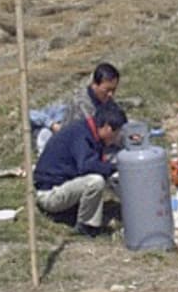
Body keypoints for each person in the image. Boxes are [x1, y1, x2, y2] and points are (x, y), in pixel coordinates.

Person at [34, 100, 128, 237]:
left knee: (100, 176)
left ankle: (76, 214)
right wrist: (113, 168)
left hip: (63, 187)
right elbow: (86, 166)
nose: (116, 138)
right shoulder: (81, 136)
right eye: (117, 133)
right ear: (108, 128)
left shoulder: (89, 132)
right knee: (95, 181)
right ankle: (87, 227)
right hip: (50, 195)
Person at [32, 62, 123, 154]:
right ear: (95, 84)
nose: (110, 94)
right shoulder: (81, 103)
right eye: (107, 90)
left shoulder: (108, 102)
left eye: (113, 90)